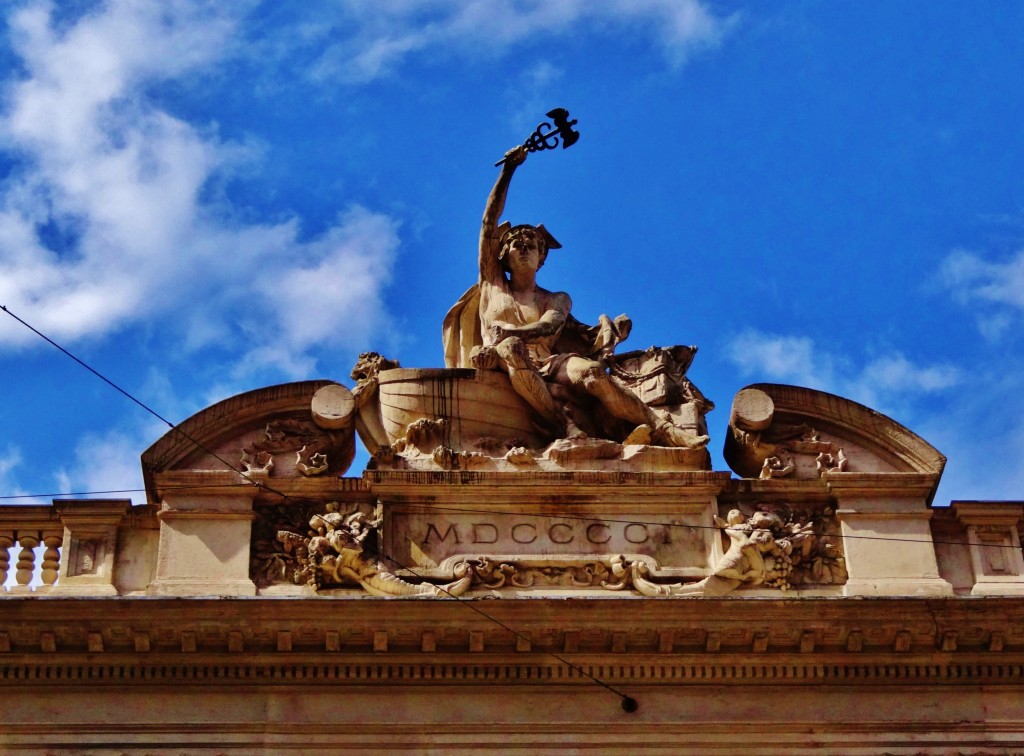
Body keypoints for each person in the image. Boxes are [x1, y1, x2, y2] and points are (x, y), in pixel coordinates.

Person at [444, 144, 707, 449]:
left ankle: (664, 429)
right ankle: (565, 426)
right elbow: (488, 223)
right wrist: (509, 170)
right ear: (502, 256)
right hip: (503, 358)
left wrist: (514, 330)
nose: (525, 246)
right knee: (511, 347)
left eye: (533, 243)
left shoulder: (557, 298)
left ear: (542, 258)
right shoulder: (492, 284)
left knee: (593, 373)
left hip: (549, 362)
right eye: (517, 242)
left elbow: (549, 326)